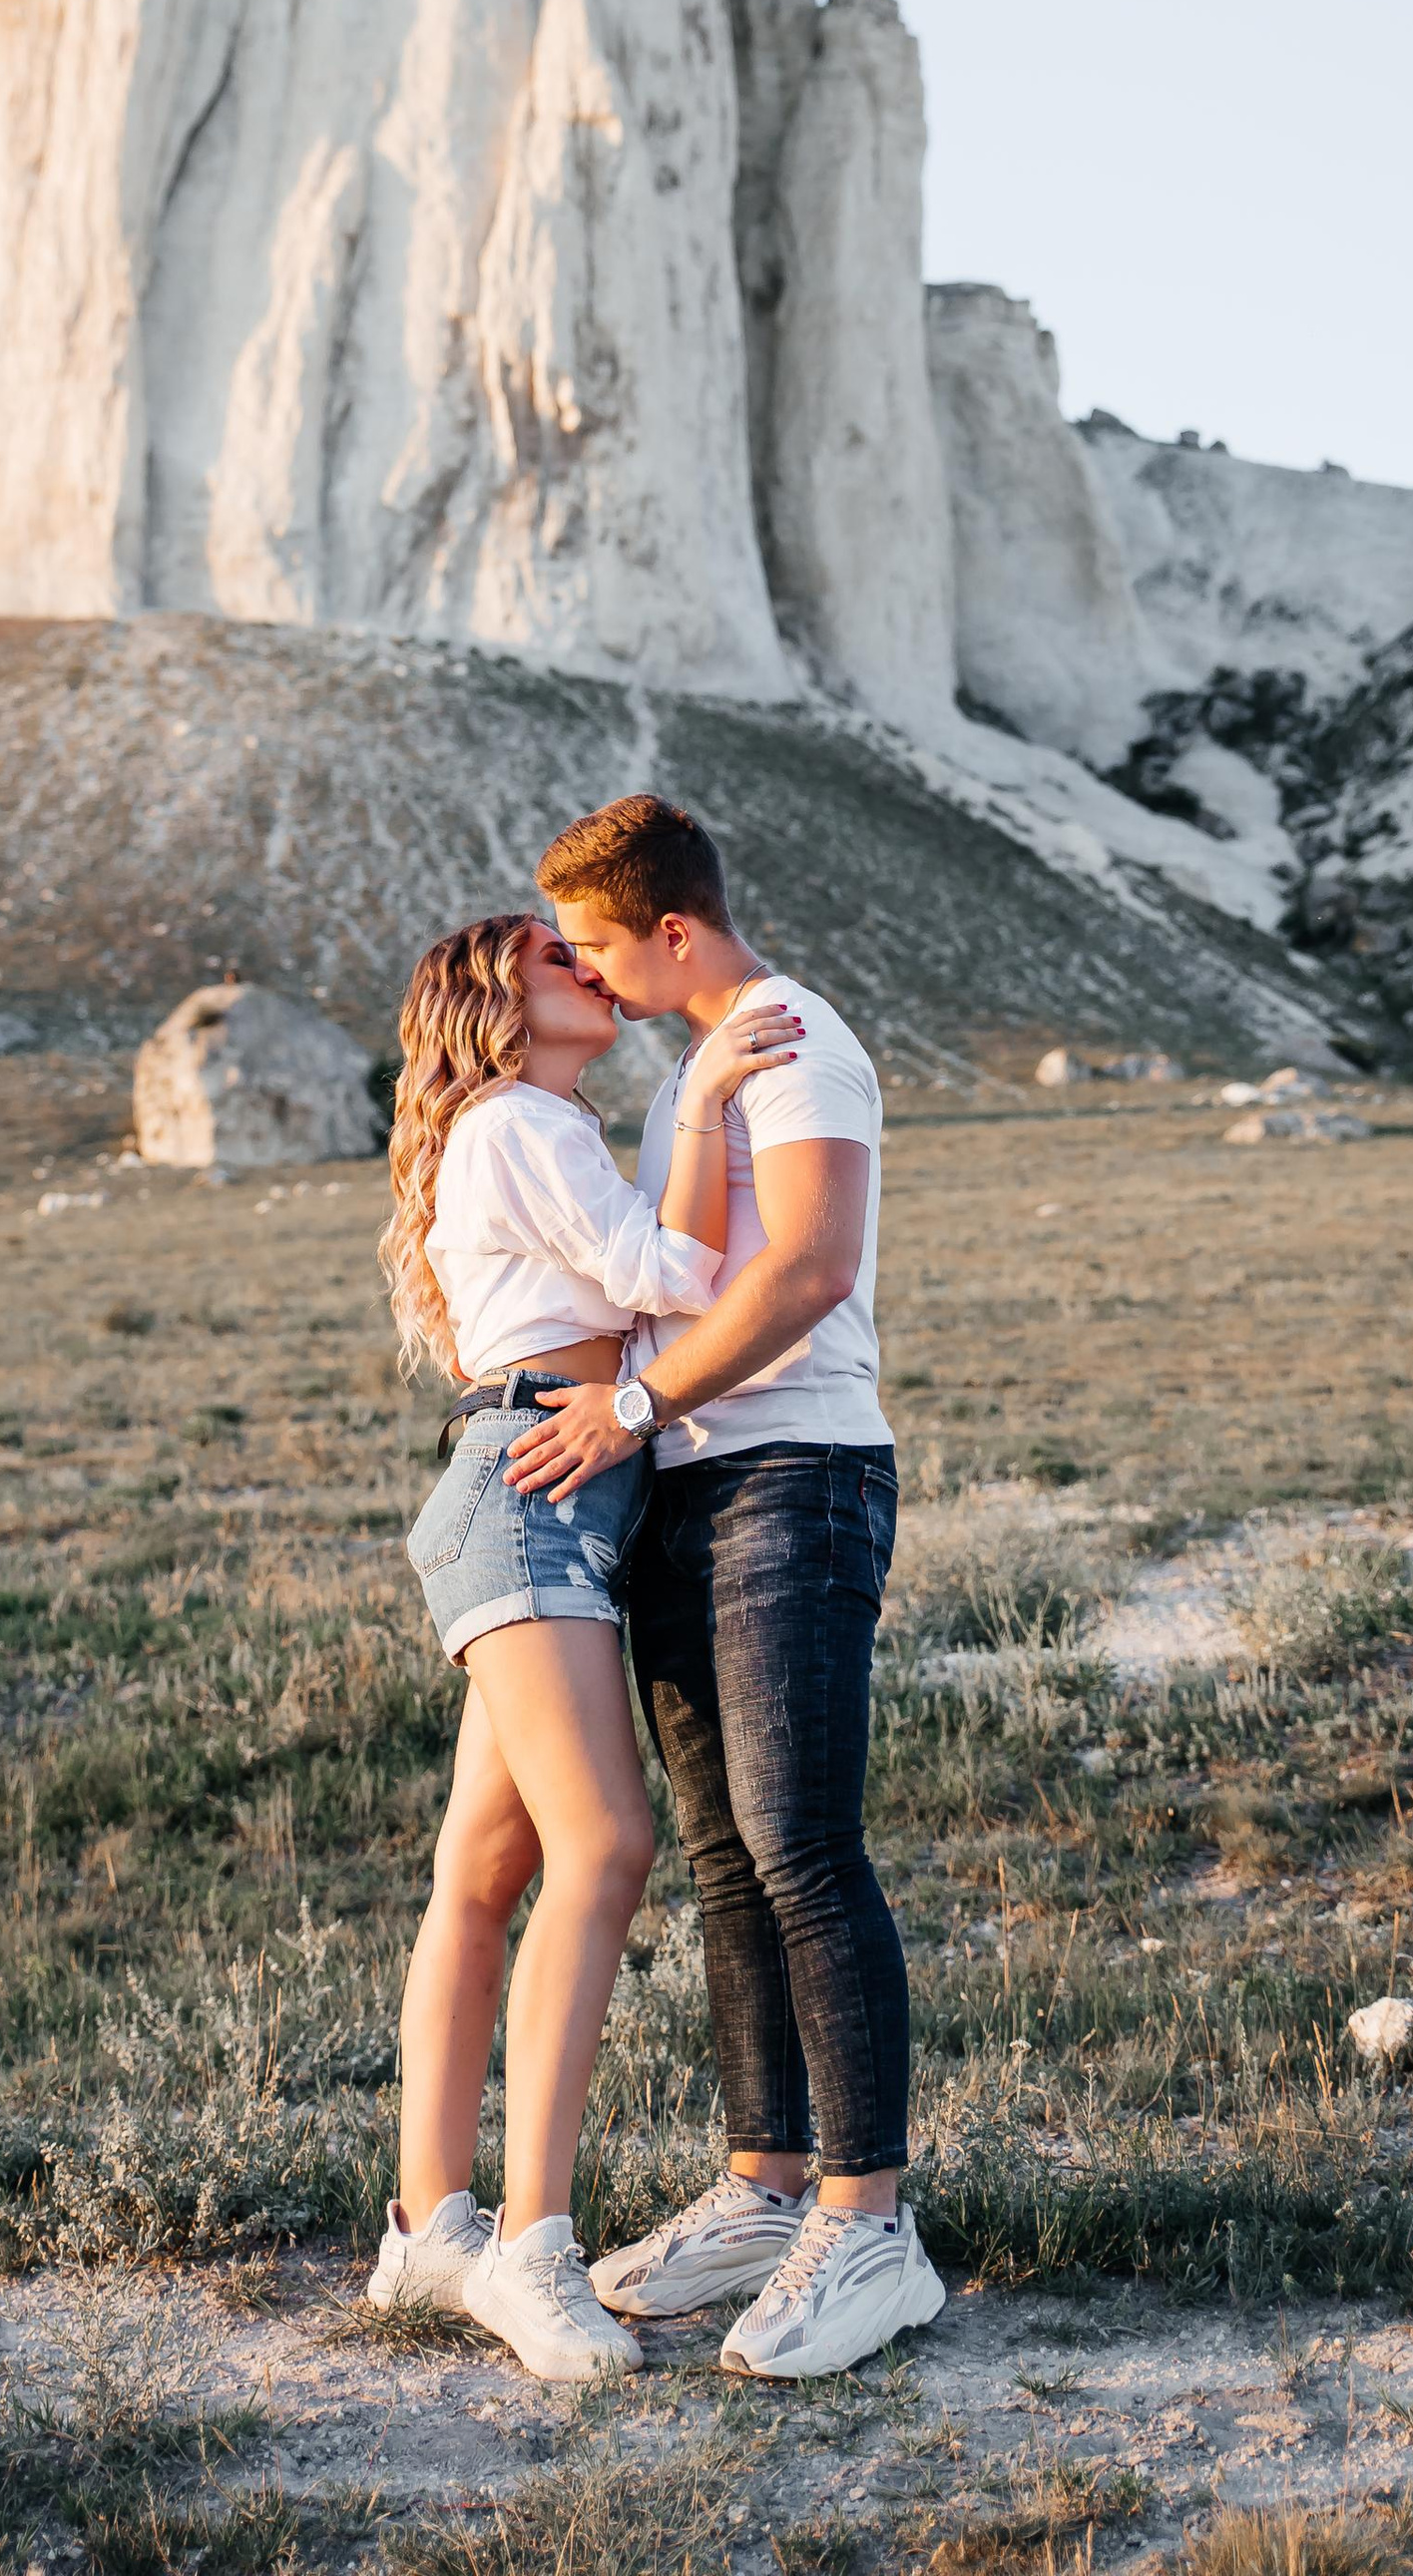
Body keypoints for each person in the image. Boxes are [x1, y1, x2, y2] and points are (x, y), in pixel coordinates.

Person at [504, 794, 946, 2379]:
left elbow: (812, 1267)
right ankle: (765, 2189)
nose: (595, 981)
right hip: (691, 1487)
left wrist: (629, 1405)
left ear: (671, 931)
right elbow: (671, 1270)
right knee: (726, 1855)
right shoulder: (704, 1069)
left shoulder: (795, 1041)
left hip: (797, 1472)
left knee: (803, 1844)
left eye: (606, 950)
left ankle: (871, 2231)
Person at [370, 908, 803, 2380]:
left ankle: (429, 2231)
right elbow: (675, 1275)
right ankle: (531, 2252)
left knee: (484, 1876)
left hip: (540, 1496)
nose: (595, 972)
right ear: (500, 1002)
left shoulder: (523, 1127)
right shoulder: (522, 1120)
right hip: (532, 1503)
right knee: (607, 1846)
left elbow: (636, 1282)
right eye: (563, 961)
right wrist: (717, 1097)